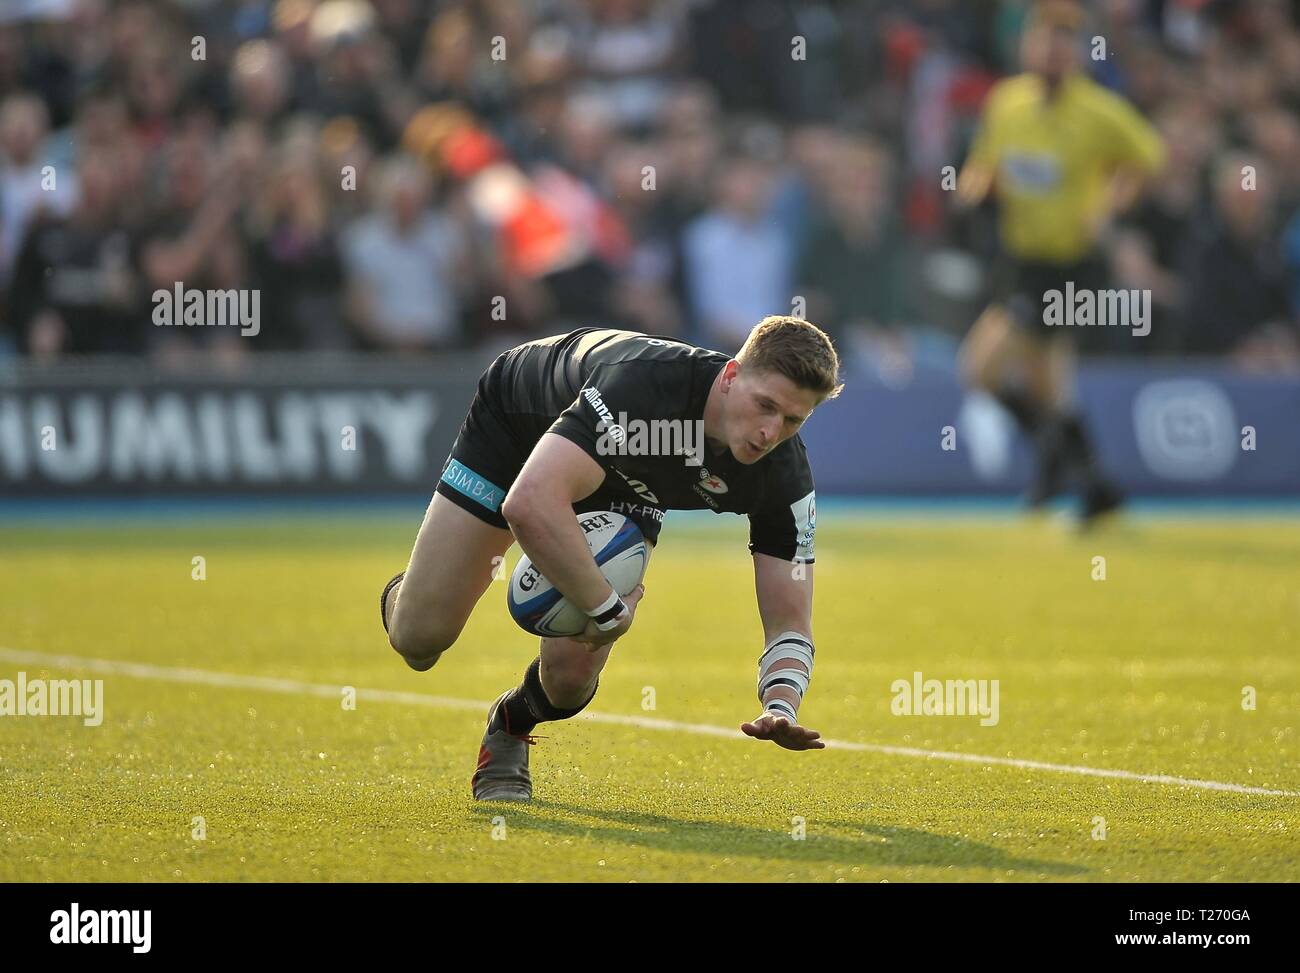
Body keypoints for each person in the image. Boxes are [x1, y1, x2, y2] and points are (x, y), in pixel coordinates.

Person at [379, 316, 839, 800]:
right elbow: (528, 502)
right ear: (729, 377)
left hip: (624, 483)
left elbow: (790, 621)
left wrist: (782, 706)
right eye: (764, 405)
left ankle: (511, 721)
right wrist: (606, 610)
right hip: (518, 421)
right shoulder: (644, 385)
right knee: (420, 640)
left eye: (792, 420)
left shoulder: (783, 476)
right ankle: (412, 591)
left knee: (571, 679)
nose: (770, 432)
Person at [956, 0, 1165, 522]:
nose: (1052, 50)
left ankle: (1069, 468)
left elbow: (1147, 158)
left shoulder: (1099, 113)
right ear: (1027, 46)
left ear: (1078, 53)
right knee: (1047, 382)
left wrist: (1110, 205)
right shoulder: (1007, 104)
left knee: (985, 366)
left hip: (1073, 264)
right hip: (1022, 261)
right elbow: (986, 165)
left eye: (1064, 41)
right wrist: (973, 188)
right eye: (1044, 39)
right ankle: (1093, 483)